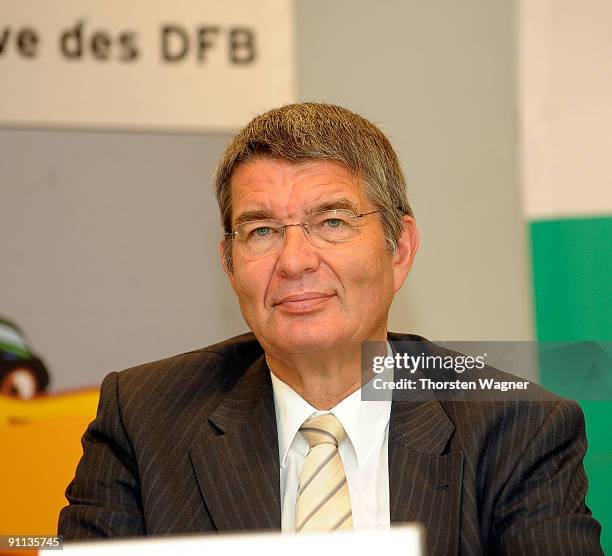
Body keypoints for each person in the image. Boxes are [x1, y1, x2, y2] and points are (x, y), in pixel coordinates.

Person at [58, 103, 603, 554]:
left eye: (332, 222)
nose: (295, 262)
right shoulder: (144, 418)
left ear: (400, 249)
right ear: (229, 263)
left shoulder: (516, 428)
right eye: (263, 230)